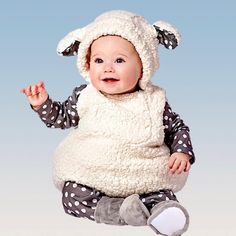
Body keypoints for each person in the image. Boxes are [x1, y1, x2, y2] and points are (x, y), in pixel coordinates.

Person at [22, 10, 195, 236]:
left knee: (161, 193)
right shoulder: (85, 96)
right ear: (87, 63)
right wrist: (42, 103)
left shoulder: (154, 101)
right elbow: (61, 118)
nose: (108, 67)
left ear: (143, 65)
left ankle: (162, 211)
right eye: (99, 60)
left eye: (120, 60)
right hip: (94, 175)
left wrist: (181, 153)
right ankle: (121, 211)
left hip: (142, 175)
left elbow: (177, 128)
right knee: (71, 194)